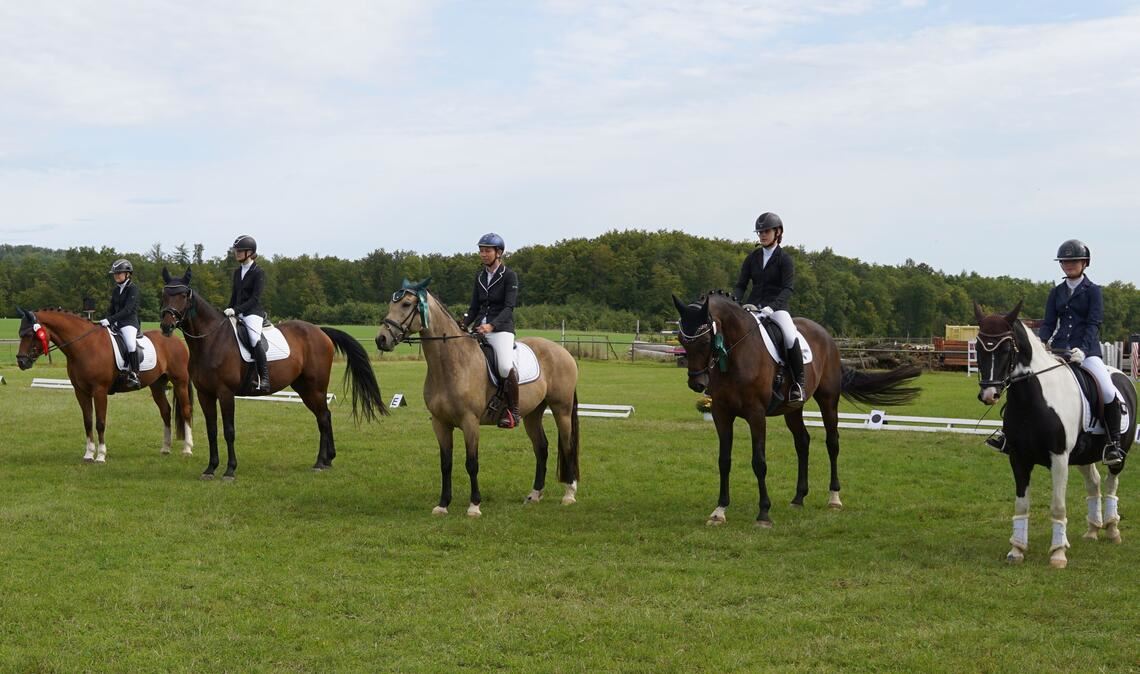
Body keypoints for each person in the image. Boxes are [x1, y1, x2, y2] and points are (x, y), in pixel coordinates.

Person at [1039, 239, 1124, 466]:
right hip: (1058, 349)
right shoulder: (1056, 292)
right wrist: (1041, 342)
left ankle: (1113, 444)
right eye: (1064, 261)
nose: (1068, 265)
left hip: (1086, 351)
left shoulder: (1093, 291)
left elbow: (1093, 323)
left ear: (1084, 263)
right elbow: (1048, 322)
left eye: (1073, 261)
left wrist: (1084, 350)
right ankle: (1012, 434)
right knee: (1030, 380)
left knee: (1107, 390)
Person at [732, 212, 805, 403]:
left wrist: (772, 308)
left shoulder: (784, 259)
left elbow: (788, 288)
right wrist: (734, 302)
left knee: (789, 335)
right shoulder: (752, 258)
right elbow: (741, 285)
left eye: (766, 231)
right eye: (760, 232)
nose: (762, 235)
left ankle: (798, 383)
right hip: (752, 307)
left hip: (777, 309)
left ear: (777, 232)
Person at [463, 233, 521, 428]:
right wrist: (462, 324)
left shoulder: (509, 276)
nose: (483, 254)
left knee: (504, 366)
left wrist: (492, 325)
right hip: (479, 327)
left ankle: (513, 411)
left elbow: (509, 307)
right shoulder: (479, 277)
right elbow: (473, 308)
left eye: (487, 250)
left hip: (501, 329)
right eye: (481, 250)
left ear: (499, 253)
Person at [225, 234, 270, 394]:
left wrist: (236, 310)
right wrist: (228, 309)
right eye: (236, 251)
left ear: (249, 252)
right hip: (237, 312)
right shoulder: (237, 272)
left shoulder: (258, 272)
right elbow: (234, 294)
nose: (236, 253)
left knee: (253, 338)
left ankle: (264, 378)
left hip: (252, 313)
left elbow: (255, 298)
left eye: (240, 251)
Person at [102, 258, 142, 390]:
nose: (116, 276)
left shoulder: (133, 289)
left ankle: (135, 374)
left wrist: (111, 320)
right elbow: (112, 309)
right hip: (116, 323)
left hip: (129, 323)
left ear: (127, 274)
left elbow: (128, 310)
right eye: (115, 274)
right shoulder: (115, 290)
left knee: (130, 344)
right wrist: (106, 319)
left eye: (119, 273)